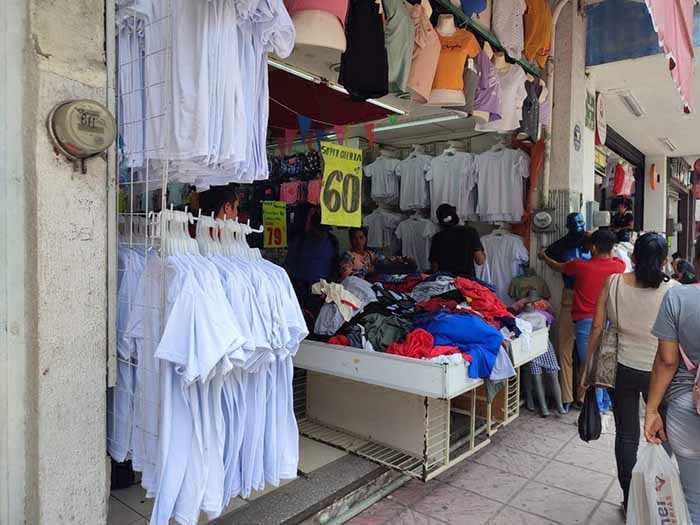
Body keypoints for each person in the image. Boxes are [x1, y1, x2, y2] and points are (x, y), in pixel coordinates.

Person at [581, 233, 676, 515]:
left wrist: (587, 368)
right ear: (664, 261)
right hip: (661, 372)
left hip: (622, 369)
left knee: (626, 436)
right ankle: (654, 497)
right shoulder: (674, 291)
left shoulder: (613, 283)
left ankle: (630, 502)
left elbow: (596, 328)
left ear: (632, 258)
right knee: (661, 432)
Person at [538, 229, 625, 412]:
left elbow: (558, 266)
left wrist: (543, 257)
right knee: (601, 363)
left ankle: (597, 410)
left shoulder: (580, 265)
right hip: (608, 321)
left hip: (585, 321)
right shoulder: (618, 266)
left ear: (593, 247)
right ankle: (603, 404)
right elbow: (614, 257)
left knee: (591, 365)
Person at [645, 239, 700, 523]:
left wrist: (652, 410)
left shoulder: (678, 298)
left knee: (694, 500)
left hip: (687, 407)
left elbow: (667, 361)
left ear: (697, 261)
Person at [543, 212, 590, 411]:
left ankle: (572, 397)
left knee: (569, 350)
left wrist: (543, 257)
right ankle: (576, 396)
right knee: (577, 352)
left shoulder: (564, 245)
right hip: (583, 297)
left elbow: (552, 260)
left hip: (576, 296)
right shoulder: (589, 242)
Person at [285, 208, 340, 307]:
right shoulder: (300, 240)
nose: (322, 233)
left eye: (325, 230)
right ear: (312, 227)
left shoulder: (332, 241)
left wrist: (330, 285)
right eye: (320, 230)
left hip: (323, 290)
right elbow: (289, 264)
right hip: (301, 289)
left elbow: (335, 265)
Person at [429, 204, 486, 279]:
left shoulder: (437, 238)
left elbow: (434, 268)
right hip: (466, 282)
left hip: (445, 282)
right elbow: (480, 260)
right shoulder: (470, 232)